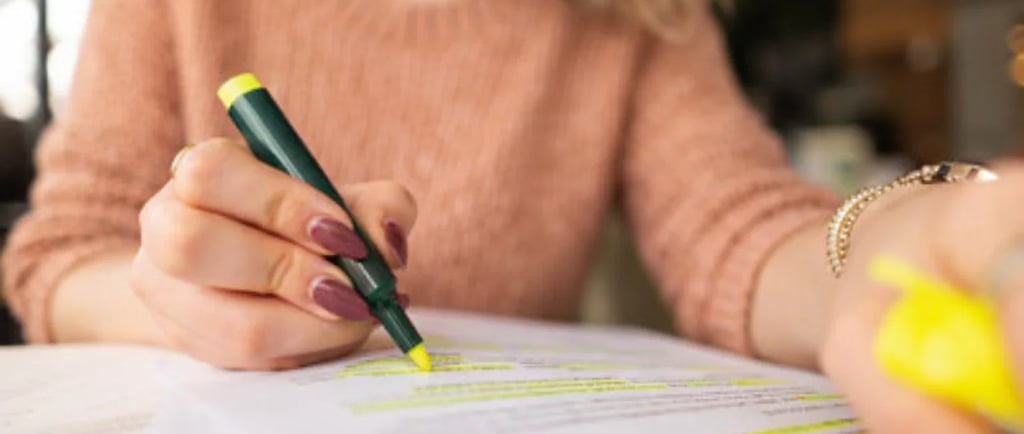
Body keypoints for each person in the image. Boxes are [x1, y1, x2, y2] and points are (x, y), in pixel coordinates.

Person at [3, 0, 1022, 432]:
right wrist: (178, 292)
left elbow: (740, 231)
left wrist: (903, 248)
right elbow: (61, 253)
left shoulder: (638, 13)